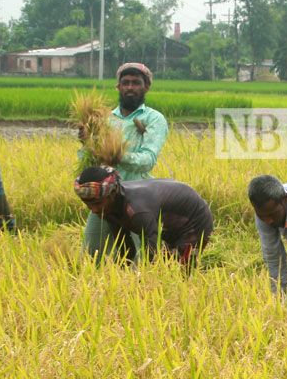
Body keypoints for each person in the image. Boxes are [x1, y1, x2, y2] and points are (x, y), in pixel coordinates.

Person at [80, 62, 169, 258]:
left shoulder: (153, 119)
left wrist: (118, 156)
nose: (130, 87)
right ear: (118, 86)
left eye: (136, 83)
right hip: (104, 196)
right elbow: (89, 162)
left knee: (139, 254)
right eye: (125, 82)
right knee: (91, 252)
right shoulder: (104, 120)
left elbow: (148, 160)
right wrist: (86, 143)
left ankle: (137, 287)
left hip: (137, 195)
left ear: (146, 87)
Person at [73, 166, 212, 266]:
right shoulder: (108, 209)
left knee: (179, 271)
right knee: (165, 266)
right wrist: (122, 272)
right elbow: (126, 249)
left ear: (111, 194)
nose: (94, 210)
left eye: (97, 203)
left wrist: (140, 279)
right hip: (168, 226)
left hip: (195, 221)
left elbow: (151, 251)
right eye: (88, 205)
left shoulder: (137, 210)